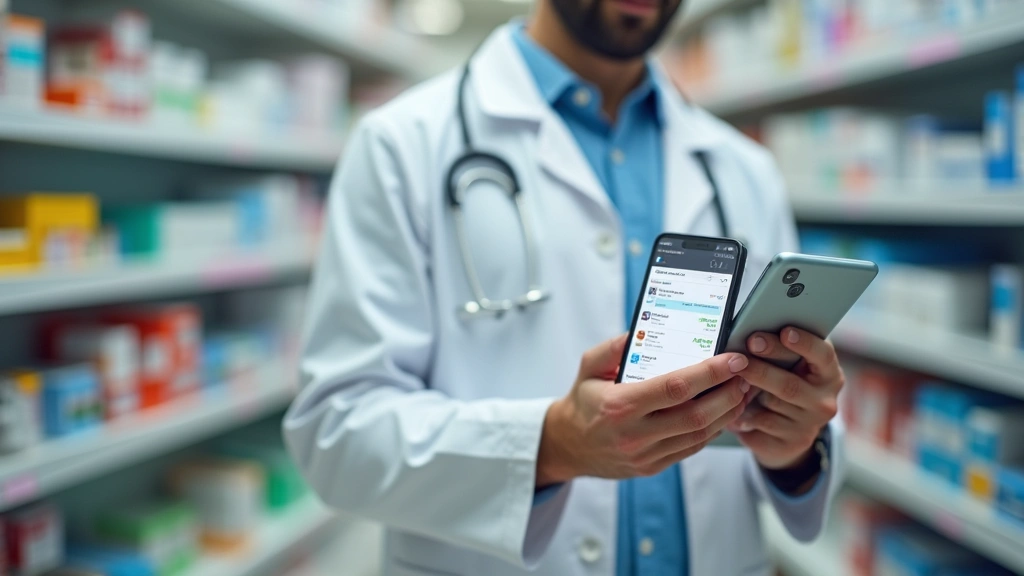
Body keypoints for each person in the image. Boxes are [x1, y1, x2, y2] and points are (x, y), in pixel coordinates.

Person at [282, 0, 845, 573]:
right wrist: (551, 446)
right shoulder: (401, 145)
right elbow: (337, 435)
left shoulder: (743, 168)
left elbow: (793, 418)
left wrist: (795, 445)